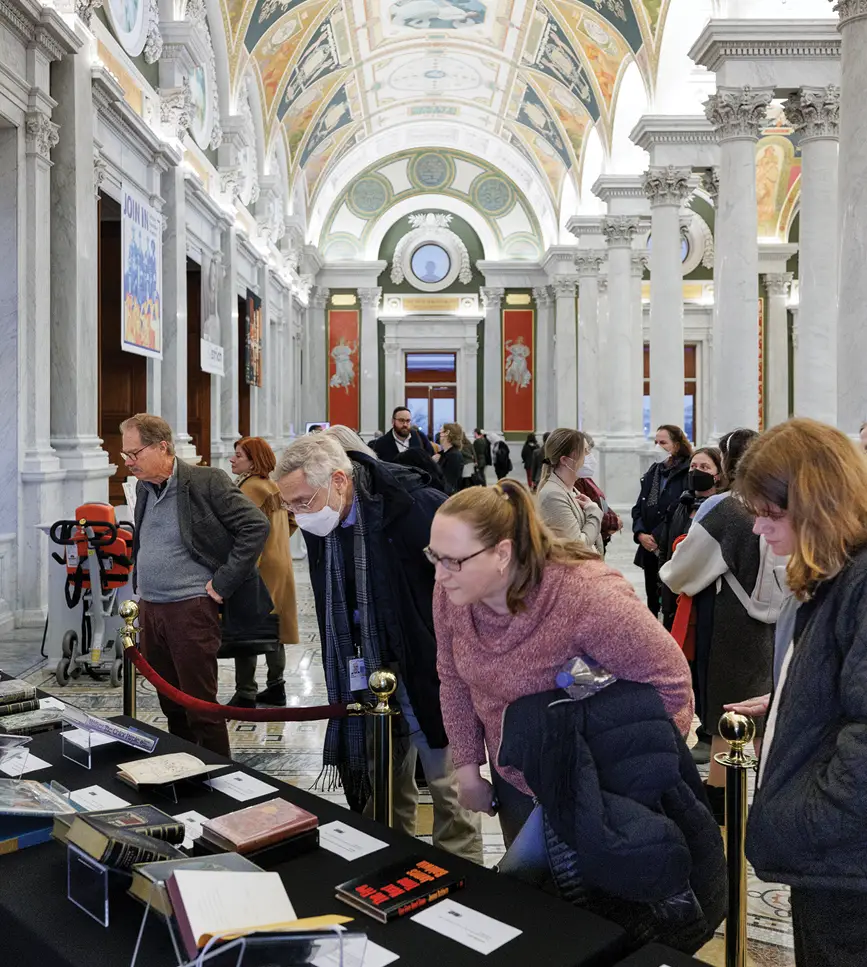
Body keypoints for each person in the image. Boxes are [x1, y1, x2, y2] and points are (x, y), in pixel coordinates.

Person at [430, 480, 693, 846]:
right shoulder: (452, 591)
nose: (440, 575)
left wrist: (606, 772)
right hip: (516, 776)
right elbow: (453, 677)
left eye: (453, 561)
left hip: (598, 788)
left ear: (503, 553)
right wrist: (468, 769)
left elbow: (672, 683)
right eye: (434, 556)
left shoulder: (585, 596)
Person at [274, 434, 483, 863]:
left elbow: (470, 586)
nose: (296, 515)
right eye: (288, 505)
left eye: (300, 502)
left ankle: (465, 883)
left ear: (338, 480)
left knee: (449, 784)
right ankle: (390, 869)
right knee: (382, 778)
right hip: (363, 667)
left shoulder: (416, 506)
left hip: (429, 667)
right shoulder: (323, 523)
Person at [725, 419, 867, 967]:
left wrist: (806, 820)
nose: (759, 530)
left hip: (847, 863)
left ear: (819, 505)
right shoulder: (835, 569)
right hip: (835, 862)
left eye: (770, 513)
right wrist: (788, 706)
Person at [124, 413, 269, 756]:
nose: (129, 462)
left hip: (189, 609)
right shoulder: (144, 487)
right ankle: (184, 775)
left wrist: (221, 584)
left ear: (162, 447)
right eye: (125, 455)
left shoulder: (206, 481)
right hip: (151, 609)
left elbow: (255, 526)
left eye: (135, 453)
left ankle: (220, 778)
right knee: (171, 705)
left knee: (201, 707)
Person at [658, 430, 774, 823]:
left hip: (731, 624)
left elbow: (682, 571)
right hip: (775, 626)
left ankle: (723, 805)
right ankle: (763, 799)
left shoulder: (728, 509)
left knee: (729, 713)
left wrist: (670, 570)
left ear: (727, 465)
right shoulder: (776, 502)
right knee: (762, 712)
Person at [227, 437, 298, 708]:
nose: (232, 459)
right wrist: (277, 543)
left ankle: (245, 692)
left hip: (257, 566)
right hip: (278, 562)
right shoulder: (271, 485)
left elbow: (240, 530)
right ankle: (275, 687)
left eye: (238, 455)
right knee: (273, 628)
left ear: (253, 461)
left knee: (247, 628)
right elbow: (291, 520)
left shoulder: (250, 488)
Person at [658, 446, 725, 629]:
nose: (697, 471)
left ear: (717, 474)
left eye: (705, 467)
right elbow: (665, 550)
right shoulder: (679, 506)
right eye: (693, 466)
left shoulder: (723, 509)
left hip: (706, 596)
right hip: (675, 592)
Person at [631, 425, 693, 616]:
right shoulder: (654, 471)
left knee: (668, 598)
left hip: (669, 545)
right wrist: (640, 533)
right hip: (648, 546)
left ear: (676, 445)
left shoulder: (687, 472)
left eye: (663, 442)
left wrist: (656, 537)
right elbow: (639, 506)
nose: (658, 446)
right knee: (651, 597)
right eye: (656, 442)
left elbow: (678, 510)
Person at [535, 428, 604, 554]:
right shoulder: (552, 494)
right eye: (585, 451)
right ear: (565, 460)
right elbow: (577, 547)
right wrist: (594, 512)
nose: (590, 456)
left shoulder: (571, 489)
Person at [574, 433, 622, 550]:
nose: (590, 456)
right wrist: (613, 521)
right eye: (586, 451)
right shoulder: (576, 481)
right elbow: (585, 512)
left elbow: (598, 500)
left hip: (599, 537)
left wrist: (613, 516)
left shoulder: (585, 477)